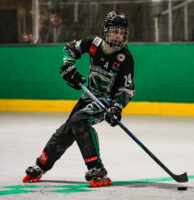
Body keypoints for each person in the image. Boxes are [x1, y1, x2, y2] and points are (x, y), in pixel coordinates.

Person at [23, 11, 135, 187]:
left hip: (105, 102)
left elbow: (126, 89)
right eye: (115, 31)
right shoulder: (93, 43)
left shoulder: (125, 58)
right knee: (67, 129)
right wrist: (69, 67)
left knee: (79, 119)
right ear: (105, 30)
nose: (118, 35)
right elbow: (70, 48)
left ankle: (96, 168)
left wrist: (116, 107)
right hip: (88, 96)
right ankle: (42, 164)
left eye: (122, 32)